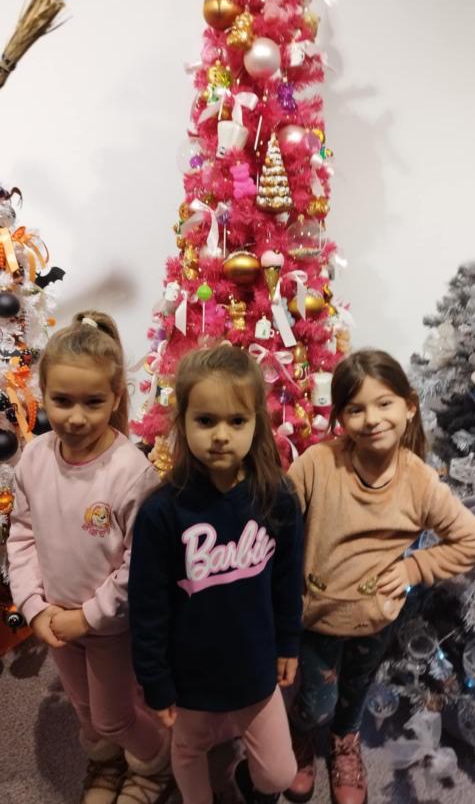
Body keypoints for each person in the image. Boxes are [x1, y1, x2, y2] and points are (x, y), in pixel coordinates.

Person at [285, 349, 475, 804]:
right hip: (315, 619)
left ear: (409, 406)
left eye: (384, 403)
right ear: (340, 418)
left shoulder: (420, 481)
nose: (372, 419)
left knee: (355, 690)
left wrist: (415, 567)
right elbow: (275, 519)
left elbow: (470, 539)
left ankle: (345, 743)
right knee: (316, 701)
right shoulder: (317, 463)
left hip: (376, 619)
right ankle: (299, 733)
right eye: (356, 409)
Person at [7, 311, 173, 804]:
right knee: (84, 709)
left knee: (114, 716)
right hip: (55, 618)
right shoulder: (34, 458)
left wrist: (89, 617)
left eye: (93, 402)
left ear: (116, 398)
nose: (76, 417)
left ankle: (154, 764)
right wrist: (34, 608)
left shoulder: (131, 473)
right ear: (43, 395)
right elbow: (22, 536)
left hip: (109, 626)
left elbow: (142, 564)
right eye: (62, 401)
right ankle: (105, 762)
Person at [128, 344, 303, 804]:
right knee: (188, 753)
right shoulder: (161, 513)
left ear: (256, 424)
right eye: (205, 420)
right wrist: (155, 679)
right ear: (183, 421)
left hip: (255, 666)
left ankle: (243, 776)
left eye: (236, 421)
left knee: (278, 775)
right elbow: (147, 608)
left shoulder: (278, 499)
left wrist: (288, 642)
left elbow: (288, 581)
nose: (221, 436)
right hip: (190, 676)